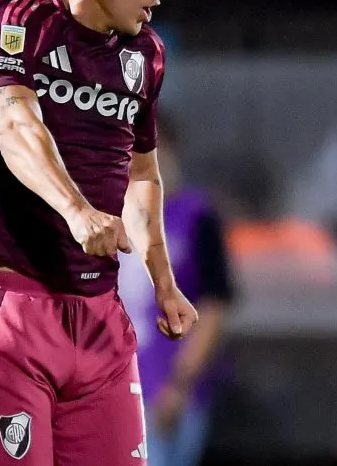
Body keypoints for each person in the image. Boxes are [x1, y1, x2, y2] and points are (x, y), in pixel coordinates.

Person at [0, 0, 198, 465]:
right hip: (11, 313)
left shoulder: (145, 56)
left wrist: (163, 283)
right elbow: (15, 125)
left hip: (102, 321)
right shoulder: (17, 22)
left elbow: (141, 175)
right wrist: (76, 210)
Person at [118, 113, 236, 465]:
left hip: (168, 388)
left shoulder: (196, 216)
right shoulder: (108, 217)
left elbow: (214, 305)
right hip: (113, 385)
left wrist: (180, 383)